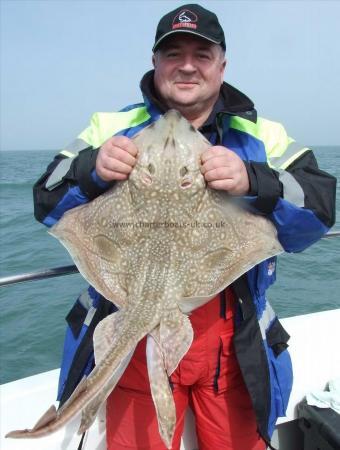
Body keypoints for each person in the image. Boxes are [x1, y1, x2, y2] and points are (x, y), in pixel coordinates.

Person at [33, 4, 336, 450]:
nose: (188, 65)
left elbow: (320, 210)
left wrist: (255, 180)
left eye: (202, 53)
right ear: (155, 62)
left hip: (234, 345)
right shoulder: (111, 127)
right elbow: (46, 199)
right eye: (173, 53)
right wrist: (89, 168)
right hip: (128, 318)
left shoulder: (261, 135)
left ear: (221, 65)